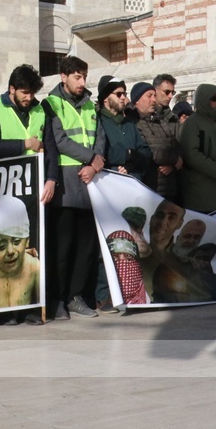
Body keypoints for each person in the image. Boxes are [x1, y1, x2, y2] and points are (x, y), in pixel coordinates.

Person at [44, 56, 106, 319]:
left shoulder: (90, 105)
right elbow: (58, 139)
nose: (82, 82)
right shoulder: (51, 104)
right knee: (62, 246)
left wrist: (96, 163)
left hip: (89, 183)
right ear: (63, 77)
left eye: (84, 76)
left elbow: (99, 136)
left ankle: (76, 296)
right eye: (77, 77)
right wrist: (89, 158)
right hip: (66, 185)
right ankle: (58, 298)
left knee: (86, 246)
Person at [91, 76, 151, 313]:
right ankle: (104, 295)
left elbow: (145, 153)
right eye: (119, 94)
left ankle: (132, 291)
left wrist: (129, 157)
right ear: (106, 98)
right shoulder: (99, 122)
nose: (124, 98)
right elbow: (100, 151)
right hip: (106, 191)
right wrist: (120, 161)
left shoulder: (129, 125)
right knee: (108, 242)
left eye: (124, 93)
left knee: (131, 243)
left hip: (130, 190)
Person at [179, 83, 216, 213]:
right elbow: (192, 155)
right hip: (203, 194)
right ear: (203, 99)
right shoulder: (192, 124)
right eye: (214, 99)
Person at [133, 82, 183, 203]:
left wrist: (173, 164)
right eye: (149, 96)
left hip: (169, 188)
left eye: (154, 96)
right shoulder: (133, 122)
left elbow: (175, 145)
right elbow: (149, 151)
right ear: (137, 100)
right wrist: (175, 159)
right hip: (149, 188)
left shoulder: (160, 122)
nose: (153, 100)